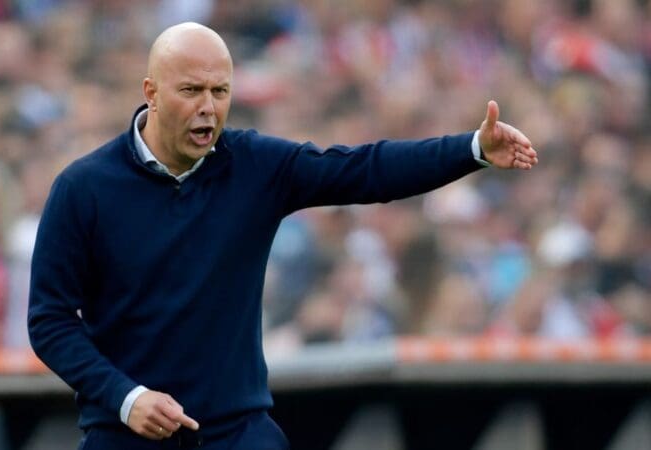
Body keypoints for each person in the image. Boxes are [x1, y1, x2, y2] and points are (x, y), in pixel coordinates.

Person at [27, 22, 538, 450]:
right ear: (151, 93)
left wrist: (470, 149)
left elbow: (365, 169)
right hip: (125, 434)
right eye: (191, 91)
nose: (209, 107)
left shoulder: (255, 165)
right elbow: (50, 321)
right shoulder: (83, 189)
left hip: (238, 433)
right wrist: (126, 397)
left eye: (220, 91)